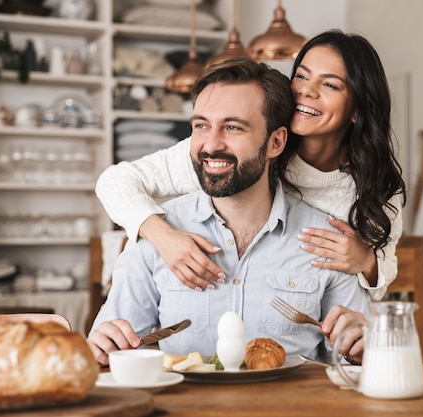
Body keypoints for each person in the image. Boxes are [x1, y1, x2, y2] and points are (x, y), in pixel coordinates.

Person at [88, 58, 370, 366]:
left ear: (275, 142)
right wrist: (103, 349)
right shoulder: (154, 236)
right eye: (201, 126)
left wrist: (363, 348)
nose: (211, 144)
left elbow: (358, 361)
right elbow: (112, 354)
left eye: (233, 127)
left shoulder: (327, 242)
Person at [95, 30, 405, 301]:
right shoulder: (244, 150)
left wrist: (366, 262)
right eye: (302, 75)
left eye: (330, 85)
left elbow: (380, 279)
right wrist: (164, 237)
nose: (307, 91)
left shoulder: (377, 187)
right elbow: (115, 182)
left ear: (357, 110)